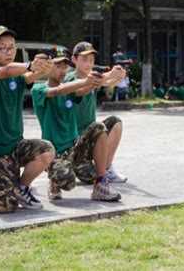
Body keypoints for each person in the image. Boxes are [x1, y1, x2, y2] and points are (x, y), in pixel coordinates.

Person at [0, 26, 55, 213]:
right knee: (7, 207)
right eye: (3, 48)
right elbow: (7, 71)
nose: (9, 52)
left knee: (46, 150)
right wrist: (30, 64)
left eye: (12, 47)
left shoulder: (17, 76)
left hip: (15, 146)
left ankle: (22, 187)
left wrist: (44, 67)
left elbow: (29, 76)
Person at [32, 46, 124, 202]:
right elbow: (58, 91)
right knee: (67, 180)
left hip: (75, 147)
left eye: (64, 66)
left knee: (99, 127)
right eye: (57, 65)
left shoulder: (72, 89)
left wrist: (103, 80)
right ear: (47, 67)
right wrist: (92, 79)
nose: (62, 70)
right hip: (54, 152)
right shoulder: (39, 89)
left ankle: (101, 184)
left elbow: (84, 89)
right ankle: (54, 181)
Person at [65, 41, 128, 185]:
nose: (89, 64)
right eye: (84, 59)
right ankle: (72, 167)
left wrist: (117, 76)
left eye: (92, 60)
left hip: (92, 137)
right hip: (75, 144)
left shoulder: (94, 78)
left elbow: (108, 83)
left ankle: (106, 168)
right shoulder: (70, 79)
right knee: (91, 177)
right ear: (74, 60)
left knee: (115, 122)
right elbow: (83, 88)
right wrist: (108, 75)